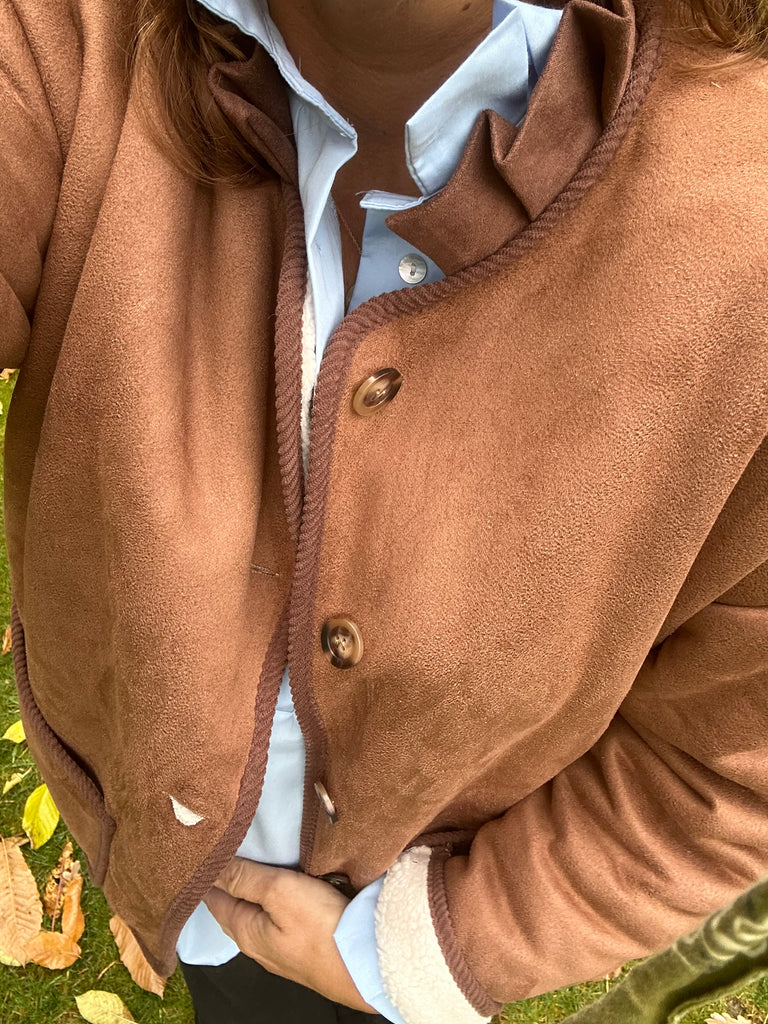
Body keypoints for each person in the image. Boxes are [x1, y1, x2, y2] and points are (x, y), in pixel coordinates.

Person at [1, 0, 767, 1022]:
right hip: (187, 872)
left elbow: (728, 764)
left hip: (423, 895)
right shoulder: (68, 41)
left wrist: (429, 950)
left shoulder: (744, 220)